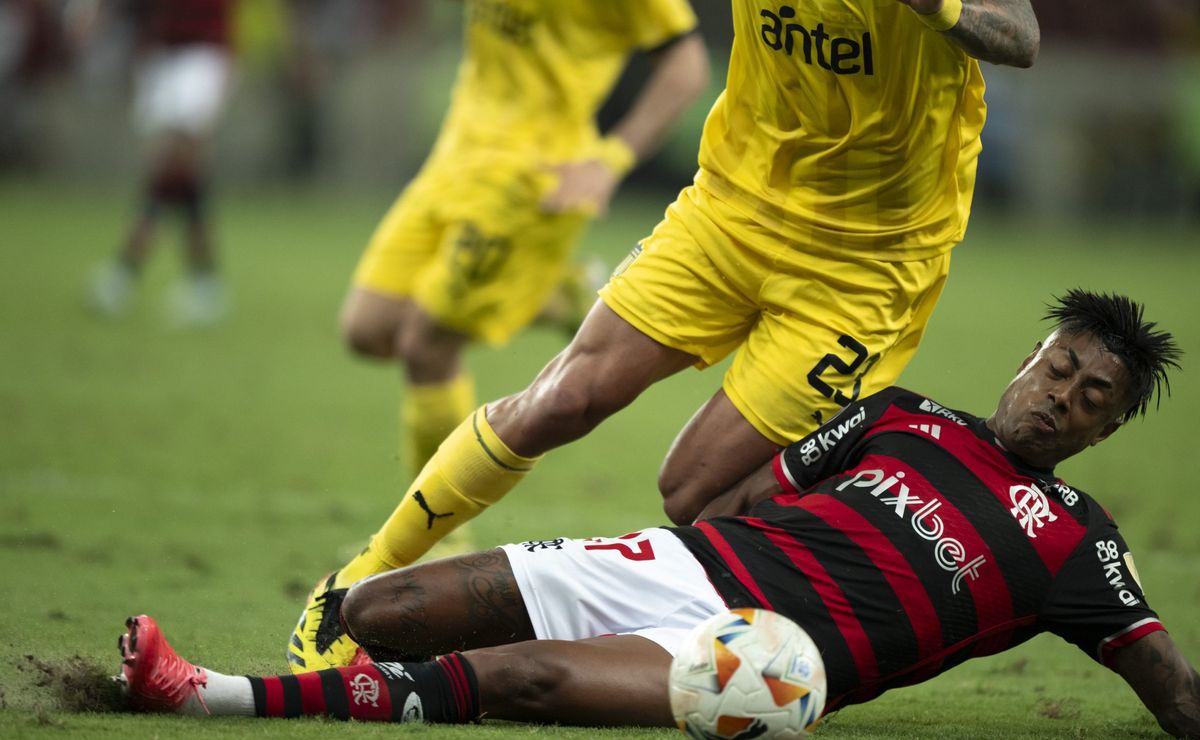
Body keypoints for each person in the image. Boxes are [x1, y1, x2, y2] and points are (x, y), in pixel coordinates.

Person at [289, 0, 1043, 672]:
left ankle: (745, 638)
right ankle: (357, 582)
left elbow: (1020, 33)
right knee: (564, 397)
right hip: (729, 210)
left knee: (695, 493)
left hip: (865, 262)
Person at [116, 290, 1197, 735]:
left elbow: (1171, 687)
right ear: (1025, 357)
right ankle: (442, 657)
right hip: (693, 560)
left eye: (1090, 396)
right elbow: (749, 496)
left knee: (524, 677)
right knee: (384, 606)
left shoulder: (1079, 543)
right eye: (1057, 368)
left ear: (1102, 432)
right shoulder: (902, 416)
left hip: (777, 655)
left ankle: (206, 692)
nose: (1060, 396)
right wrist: (671, 557)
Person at [330, 0, 710, 583]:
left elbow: (688, 65)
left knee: (426, 345)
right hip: (456, 156)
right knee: (367, 329)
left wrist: (610, 160)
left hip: (533, 180)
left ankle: (441, 540)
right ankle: (562, 296)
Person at [85, 0, 236, 325]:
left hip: (203, 52)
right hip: (162, 53)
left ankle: (125, 272)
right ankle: (204, 282)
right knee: (179, 173)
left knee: (171, 166)